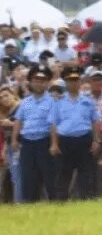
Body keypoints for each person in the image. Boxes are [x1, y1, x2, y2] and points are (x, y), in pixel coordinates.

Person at [50, 65, 100, 200]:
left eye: (76, 80)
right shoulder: (58, 102)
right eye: (70, 80)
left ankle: (84, 199)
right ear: (66, 83)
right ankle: (61, 201)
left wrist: (96, 140)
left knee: (85, 172)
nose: (73, 83)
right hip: (65, 140)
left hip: (84, 139)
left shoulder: (88, 101)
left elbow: (95, 121)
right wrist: (54, 144)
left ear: (80, 82)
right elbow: (53, 124)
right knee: (63, 172)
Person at [11, 64, 58, 202]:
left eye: (42, 80)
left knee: (48, 174)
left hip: (44, 141)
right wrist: (14, 140)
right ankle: (29, 203)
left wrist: (54, 144)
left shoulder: (52, 101)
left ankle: (54, 203)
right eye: (36, 80)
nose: (39, 83)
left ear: (47, 83)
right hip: (27, 142)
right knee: (28, 174)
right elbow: (19, 121)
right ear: (30, 82)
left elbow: (53, 124)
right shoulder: (25, 102)